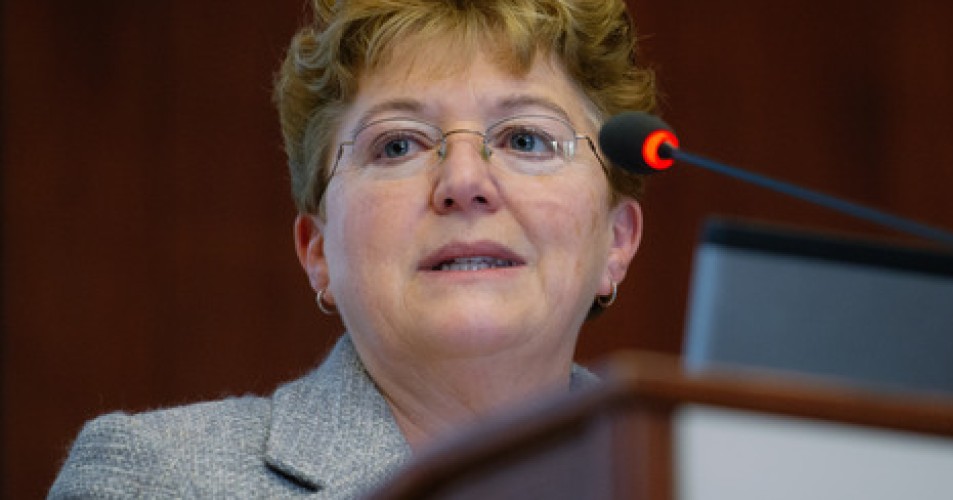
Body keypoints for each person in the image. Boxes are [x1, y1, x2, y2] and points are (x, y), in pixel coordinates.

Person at [49, 0, 655, 497]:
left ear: (618, 240)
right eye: (397, 146)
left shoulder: (714, 479)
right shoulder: (154, 481)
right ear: (316, 251)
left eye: (526, 138)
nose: (465, 184)